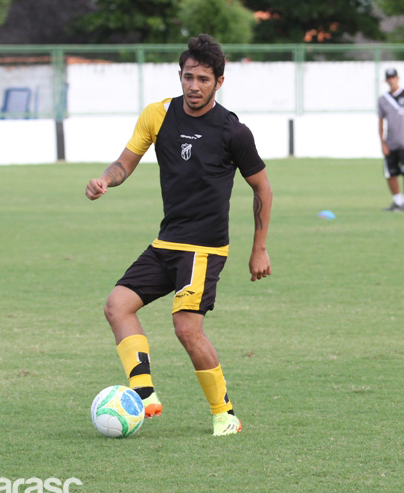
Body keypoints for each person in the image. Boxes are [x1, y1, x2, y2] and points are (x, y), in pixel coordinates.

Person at [84, 34, 272, 437]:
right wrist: (104, 180)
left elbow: (262, 188)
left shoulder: (233, 131)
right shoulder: (158, 115)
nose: (194, 86)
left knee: (186, 328)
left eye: (203, 79)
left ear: (219, 82)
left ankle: (225, 414)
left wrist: (259, 249)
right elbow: (125, 163)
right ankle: (144, 392)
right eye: (188, 77)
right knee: (117, 306)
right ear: (180, 76)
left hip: (204, 249)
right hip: (166, 243)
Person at [378, 68, 404, 211]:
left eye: (393, 77)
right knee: (391, 173)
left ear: (398, 78)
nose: (391, 80)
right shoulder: (383, 99)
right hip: (390, 142)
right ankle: (397, 201)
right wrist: (382, 142)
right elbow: (380, 122)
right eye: (389, 78)